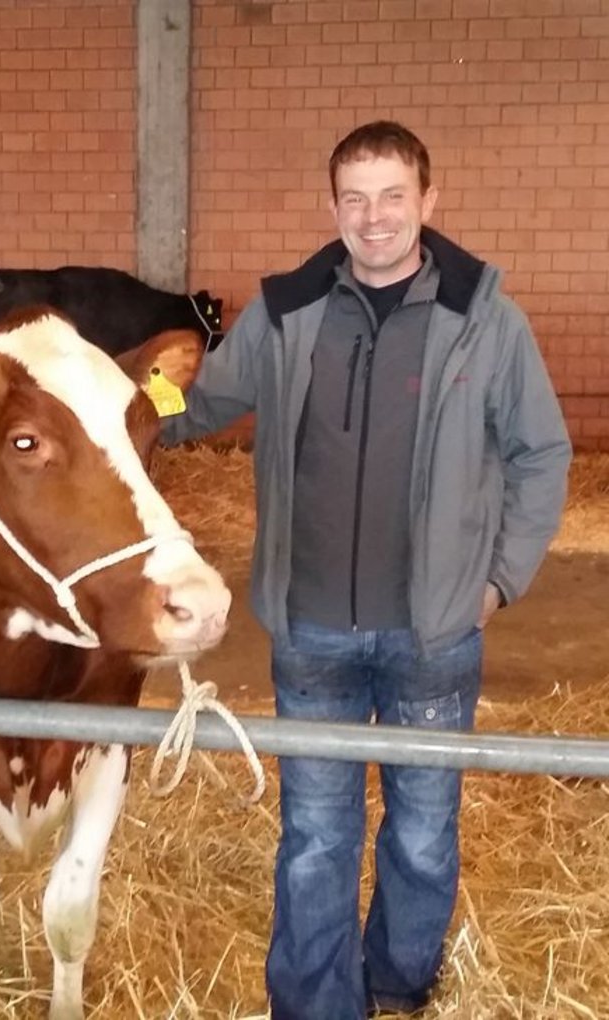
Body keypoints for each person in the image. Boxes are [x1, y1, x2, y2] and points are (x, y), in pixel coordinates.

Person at [162, 121, 571, 1019]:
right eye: (355, 197)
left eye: (393, 196)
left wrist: (499, 580)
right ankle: (318, 1003)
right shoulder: (286, 314)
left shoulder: (486, 321)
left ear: (429, 199)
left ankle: (397, 982)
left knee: (422, 831)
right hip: (312, 628)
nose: (374, 217)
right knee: (316, 834)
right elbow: (198, 405)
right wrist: (105, 400)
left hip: (435, 631)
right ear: (333, 206)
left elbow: (541, 454)